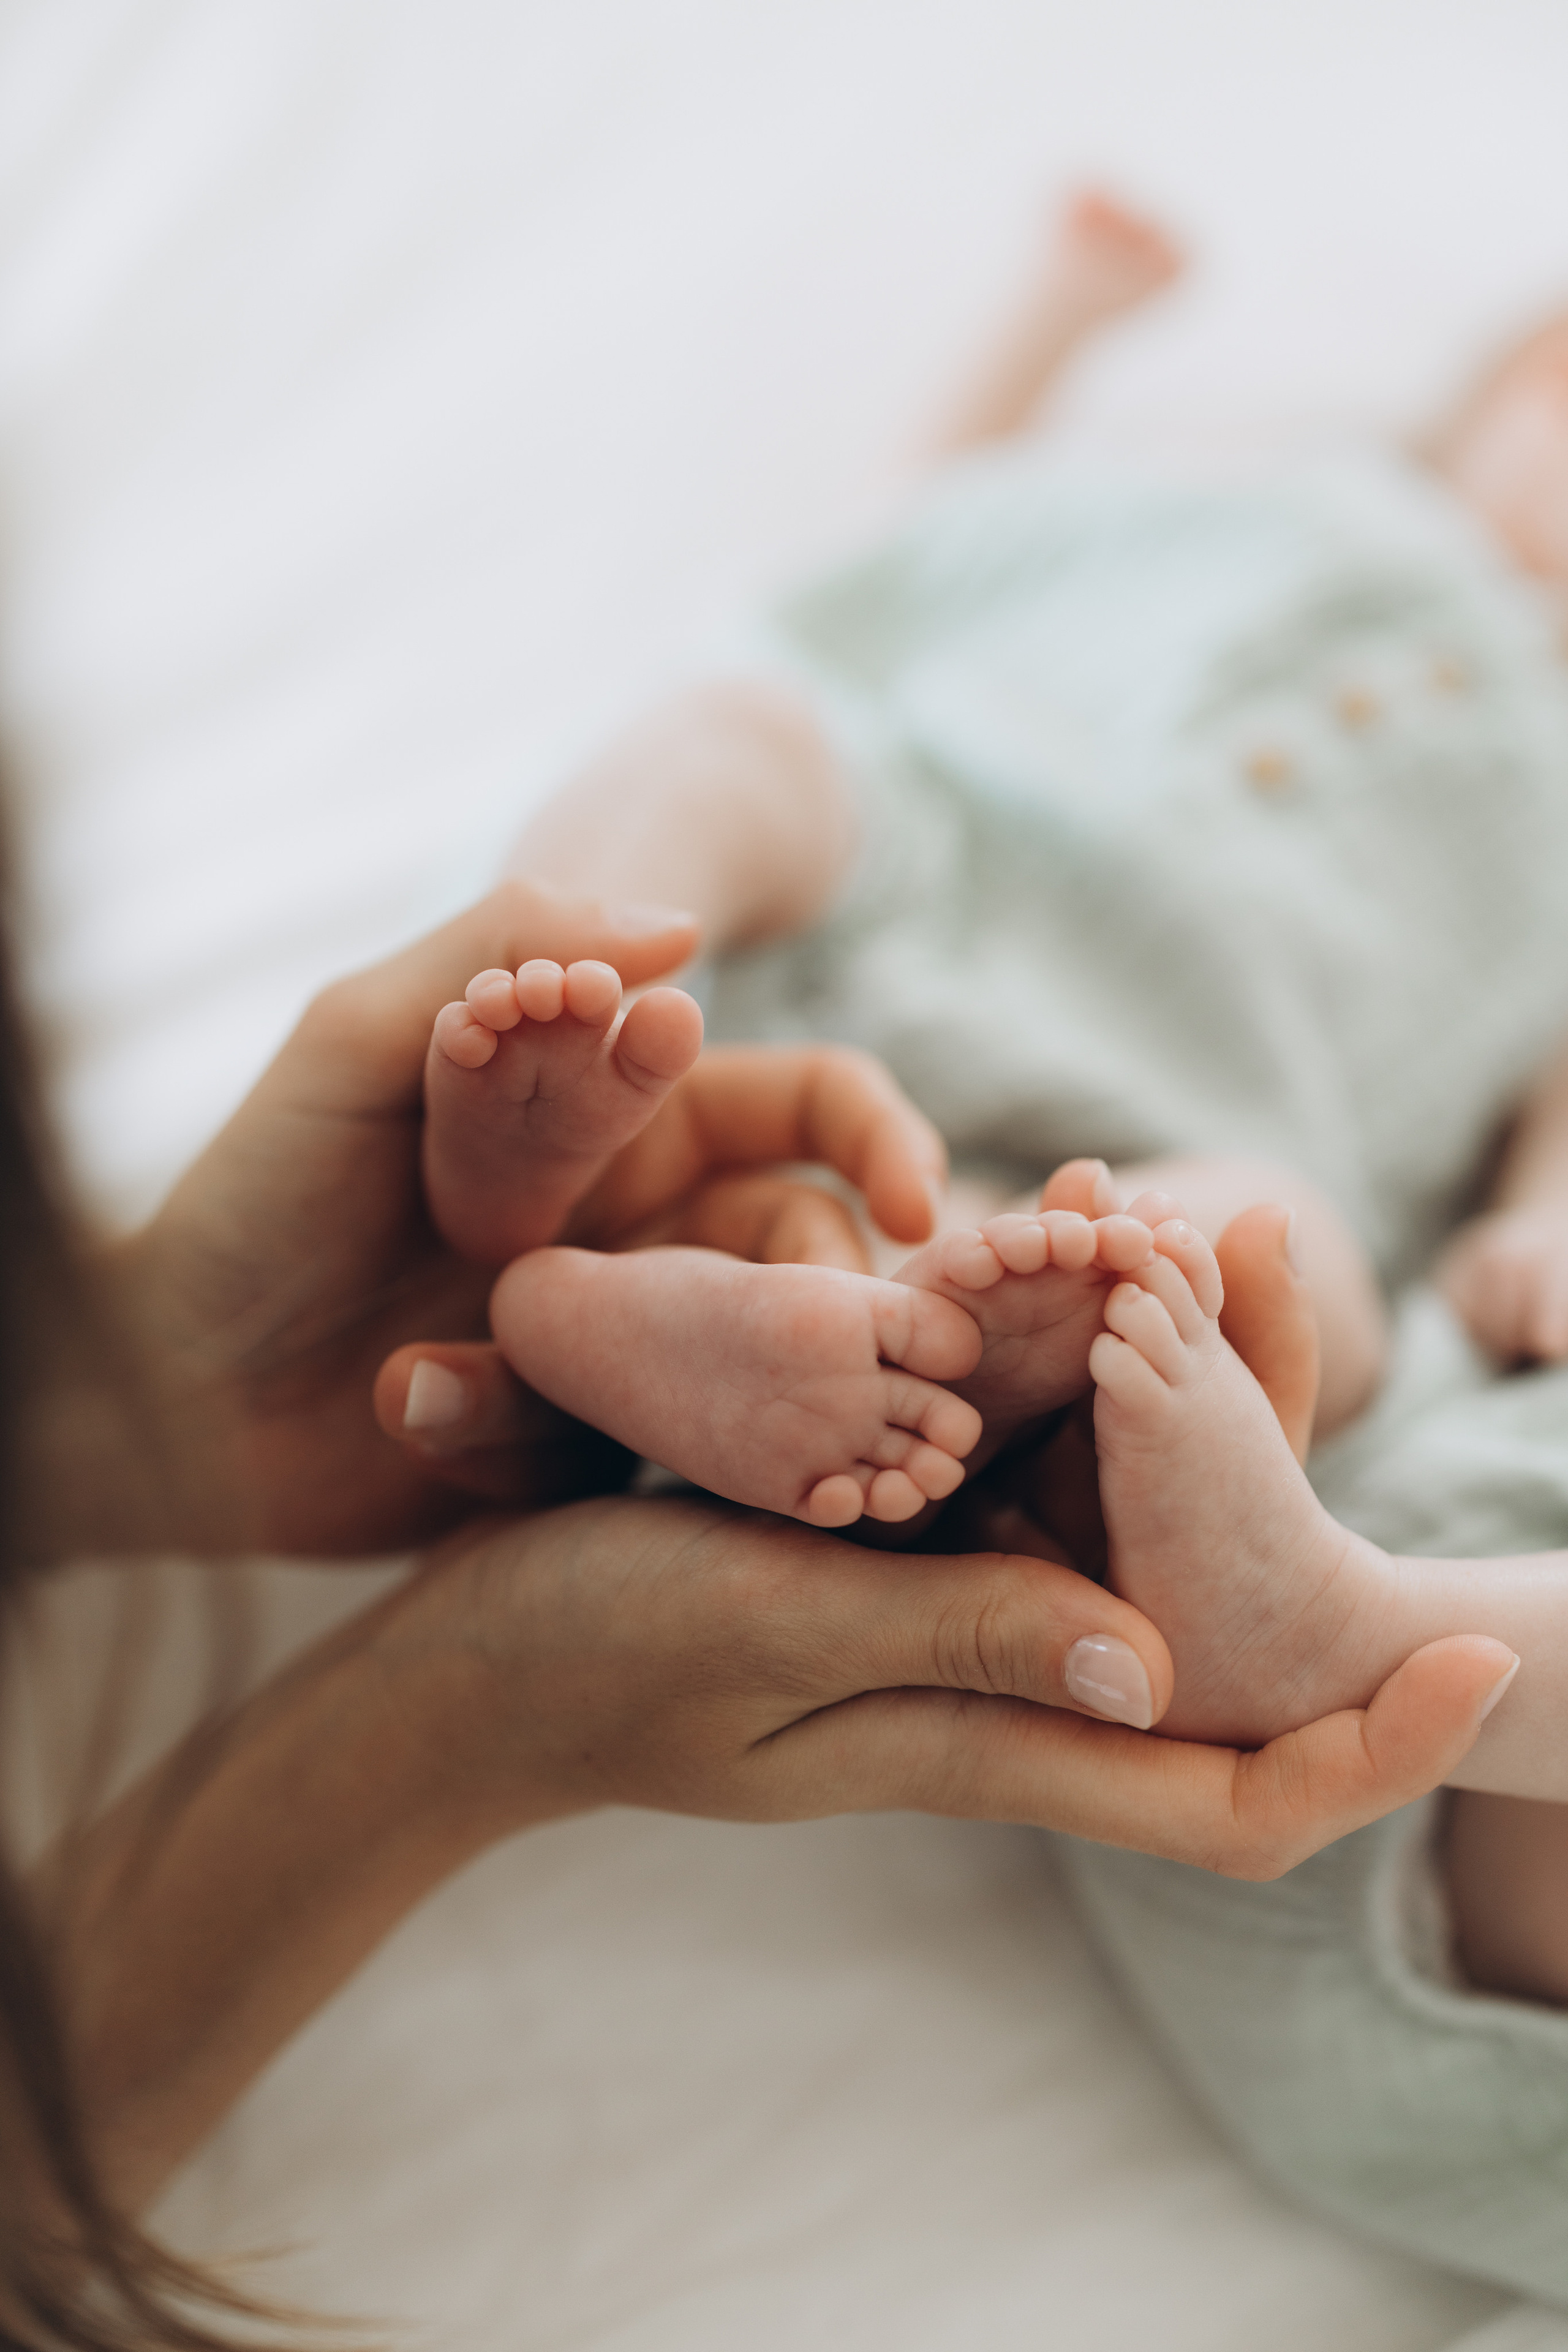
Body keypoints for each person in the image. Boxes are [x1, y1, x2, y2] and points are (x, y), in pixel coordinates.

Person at [483, 192, 1568, 2301]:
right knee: (736, 745)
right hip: (929, 867)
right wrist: (1047, 331)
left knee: (1270, 1257)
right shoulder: (1267, 507)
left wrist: (1534, 1221)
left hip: (1182, 1132)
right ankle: (567, 1009)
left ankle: (797, 1324)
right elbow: (908, 561)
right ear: (1515, 396)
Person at [4, 863, 1504, 2345]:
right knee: (1253, 1239)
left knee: (1219, 1251)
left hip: (1376, 1641)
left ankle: (805, 1320)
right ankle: (890, 1325)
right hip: (1362, 1509)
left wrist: (124, 1411)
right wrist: (473, 1693)